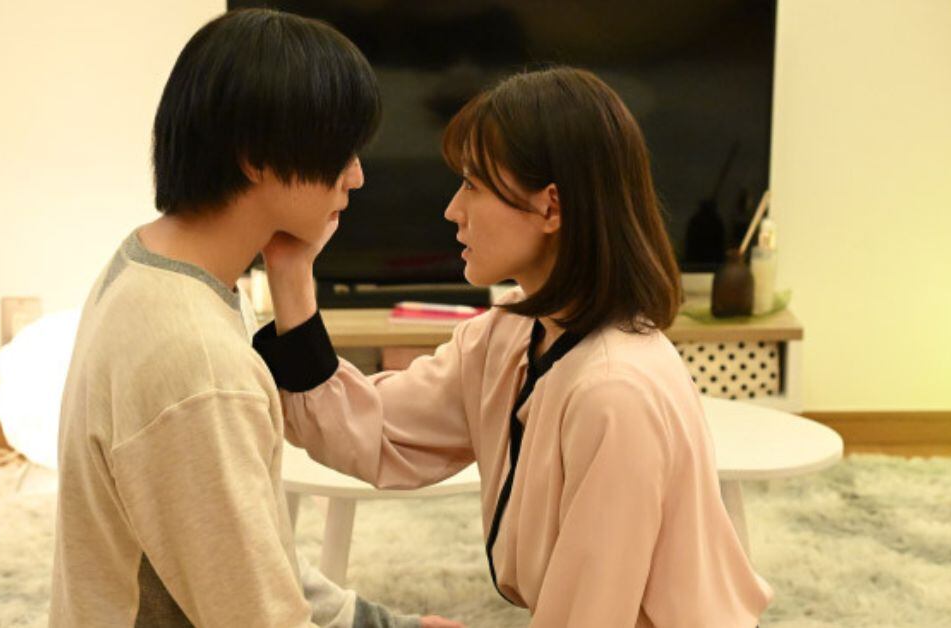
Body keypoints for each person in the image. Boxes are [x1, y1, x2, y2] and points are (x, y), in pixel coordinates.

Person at [254, 67, 775, 626]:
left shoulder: (614, 394)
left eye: (473, 186)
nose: (453, 210)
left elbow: (590, 617)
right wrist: (291, 273)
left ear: (551, 207)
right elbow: (371, 430)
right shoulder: (512, 332)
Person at [50, 9, 459, 627]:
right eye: (341, 150)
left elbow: (249, 551)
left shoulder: (148, 264)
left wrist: (373, 622)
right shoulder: (197, 363)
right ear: (255, 157)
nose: (356, 175)